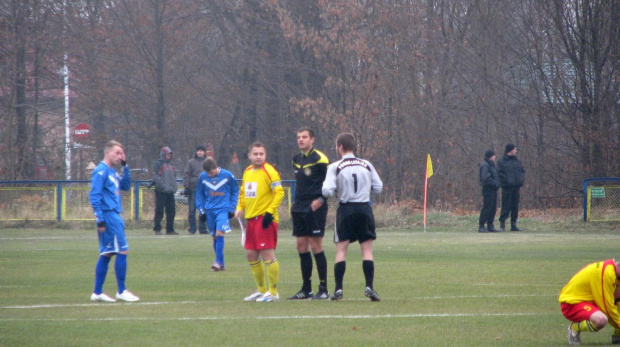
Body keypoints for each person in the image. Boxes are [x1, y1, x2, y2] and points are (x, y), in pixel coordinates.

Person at [322, 133, 383, 302]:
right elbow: (378, 187)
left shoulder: (336, 166)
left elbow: (326, 191)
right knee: (367, 250)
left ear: (340, 146)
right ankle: (369, 286)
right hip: (364, 208)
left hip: (346, 209)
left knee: (341, 250)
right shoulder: (366, 164)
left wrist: (336, 191)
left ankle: (339, 289)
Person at [88, 140, 140, 302]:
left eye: (122, 153)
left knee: (108, 253)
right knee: (122, 250)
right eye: (117, 153)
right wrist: (100, 219)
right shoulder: (101, 171)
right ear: (108, 153)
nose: (120, 156)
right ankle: (121, 290)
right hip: (109, 216)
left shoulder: (112, 172)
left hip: (114, 215)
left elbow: (125, 186)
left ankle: (97, 293)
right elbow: (94, 196)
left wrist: (125, 167)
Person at [235, 142, 285, 302]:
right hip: (251, 219)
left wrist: (270, 213)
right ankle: (261, 290)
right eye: (255, 154)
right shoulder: (248, 171)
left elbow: (279, 192)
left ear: (265, 155)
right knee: (250, 254)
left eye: (261, 154)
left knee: (267, 254)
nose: (258, 156)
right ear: (249, 155)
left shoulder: (269, 171)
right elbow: (243, 192)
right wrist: (239, 207)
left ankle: (273, 292)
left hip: (265, 219)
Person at [288, 127, 330, 300]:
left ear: (312, 139)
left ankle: (324, 289)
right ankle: (306, 289)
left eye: (304, 137)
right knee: (301, 246)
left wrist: (320, 200)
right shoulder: (296, 159)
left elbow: (330, 184)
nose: (301, 140)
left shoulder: (320, 158)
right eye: (298, 137)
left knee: (315, 246)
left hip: (315, 207)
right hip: (299, 207)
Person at [559, 259, 620, 345]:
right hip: (572, 304)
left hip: (589, 302)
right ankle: (575, 328)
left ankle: (618, 336)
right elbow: (607, 307)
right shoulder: (606, 273)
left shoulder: (613, 272)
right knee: (601, 320)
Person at [196, 157, 239, 271]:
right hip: (209, 210)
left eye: (211, 172)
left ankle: (217, 262)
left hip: (223, 209)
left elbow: (235, 191)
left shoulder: (228, 175)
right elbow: (199, 194)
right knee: (214, 236)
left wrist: (232, 207)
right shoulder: (202, 177)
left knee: (219, 232)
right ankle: (221, 264)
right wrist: (201, 210)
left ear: (216, 168)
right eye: (207, 173)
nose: (209, 175)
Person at [497, 143, 525, 232]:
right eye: (514, 149)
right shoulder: (501, 161)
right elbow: (499, 174)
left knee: (515, 206)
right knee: (506, 206)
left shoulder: (516, 161)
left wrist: (521, 181)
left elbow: (522, 171)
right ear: (510, 150)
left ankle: (513, 225)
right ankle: (502, 225)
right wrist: (506, 182)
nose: (516, 150)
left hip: (516, 188)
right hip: (507, 188)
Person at [152, 146, 178, 235]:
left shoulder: (172, 165)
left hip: (170, 191)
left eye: (170, 154)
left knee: (171, 211)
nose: (169, 155)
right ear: (163, 154)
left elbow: (174, 177)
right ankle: (157, 229)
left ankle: (170, 229)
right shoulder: (158, 164)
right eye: (167, 154)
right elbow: (156, 176)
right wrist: (162, 186)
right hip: (161, 191)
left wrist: (174, 187)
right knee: (159, 210)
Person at [183, 145, 208, 235]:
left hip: (205, 189)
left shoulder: (208, 162)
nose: (199, 152)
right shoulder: (191, 162)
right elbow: (186, 174)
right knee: (192, 210)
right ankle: (192, 229)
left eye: (201, 150)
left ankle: (203, 229)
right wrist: (186, 186)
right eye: (198, 151)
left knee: (204, 210)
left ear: (204, 152)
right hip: (193, 188)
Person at [478, 150, 500, 233]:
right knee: (487, 207)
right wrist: (495, 184)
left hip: (493, 190)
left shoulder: (491, 165)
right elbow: (486, 178)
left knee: (493, 208)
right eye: (494, 155)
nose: (495, 157)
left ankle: (490, 225)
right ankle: (482, 225)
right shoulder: (485, 165)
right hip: (488, 189)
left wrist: (497, 184)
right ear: (490, 156)